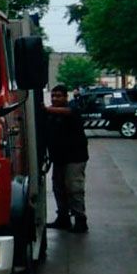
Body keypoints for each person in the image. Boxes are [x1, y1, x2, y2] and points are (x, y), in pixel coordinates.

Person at [45, 84, 89, 233]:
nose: (55, 98)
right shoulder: (51, 114)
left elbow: (68, 112)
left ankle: (80, 220)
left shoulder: (72, 109)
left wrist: (45, 109)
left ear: (66, 97)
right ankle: (63, 218)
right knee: (59, 188)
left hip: (75, 157)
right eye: (53, 96)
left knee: (74, 188)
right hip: (59, 158)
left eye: (58, 96)